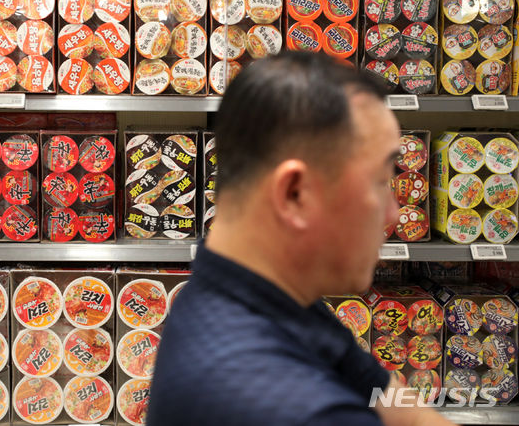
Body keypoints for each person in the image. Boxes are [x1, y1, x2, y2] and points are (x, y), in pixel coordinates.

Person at [147, 52, 456, 426]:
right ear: (294, 194)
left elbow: (391, 399)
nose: (393, 214)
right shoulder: (302, 411)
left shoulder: (254, 294)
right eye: (379, 181)